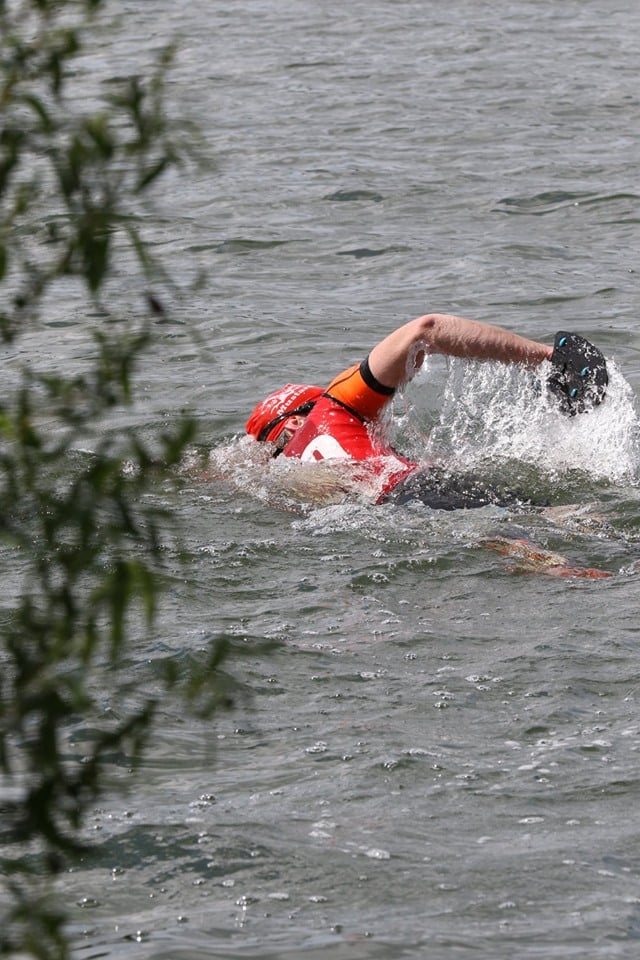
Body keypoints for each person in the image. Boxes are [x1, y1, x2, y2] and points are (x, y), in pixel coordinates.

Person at [245, 313, 608, 510]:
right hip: (419, 488)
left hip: (390, 515)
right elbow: (427, 329)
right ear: (296, 419)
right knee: (560, 518)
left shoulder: (282, 482)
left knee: (518, 544)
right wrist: (548, 358)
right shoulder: (336, 406)